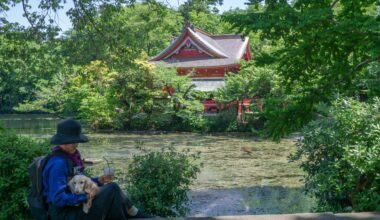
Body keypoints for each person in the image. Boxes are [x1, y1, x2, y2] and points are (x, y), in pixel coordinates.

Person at [43, 118, 151, 220]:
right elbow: (58, 199)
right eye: (71, 141)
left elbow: (82, 182)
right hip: (64, 214)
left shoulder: (73, 156)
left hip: (76, 205)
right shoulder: (58, 164)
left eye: (76, 141)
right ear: (62, 141)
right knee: (112, 188)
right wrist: (86, 197)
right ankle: (133, 213)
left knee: (112, 191)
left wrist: (99, 180)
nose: (75, 144)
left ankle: (131, 213)